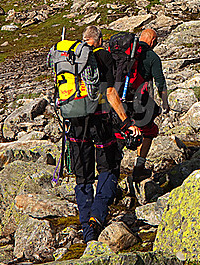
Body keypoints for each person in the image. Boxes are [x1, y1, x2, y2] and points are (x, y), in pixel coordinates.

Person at [60, 26, 140, 243]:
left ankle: (87, 230)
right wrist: (126, 123)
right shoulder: (102, 56)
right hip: (99, 122)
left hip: (73, 123)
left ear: (85, 40)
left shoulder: (68, 59)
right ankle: (97, 217)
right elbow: (110, 92)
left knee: (83, 177)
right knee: (109, 168)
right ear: (99, 40)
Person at [114, 28, 169, 181]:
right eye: (156, 41)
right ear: (152, 40)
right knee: (149, 131)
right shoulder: (152, 57)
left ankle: (112, 171)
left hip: (119, 100)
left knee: (119, 132)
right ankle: (139, 166)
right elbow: (160, 82)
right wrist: (164, 103)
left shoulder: (123, 54)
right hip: (140, 104)